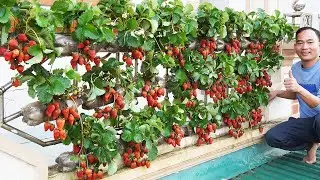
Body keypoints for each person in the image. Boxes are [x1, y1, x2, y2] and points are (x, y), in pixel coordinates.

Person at [265, 27, 320, 164]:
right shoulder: (295, 68)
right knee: (273, 137)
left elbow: (316, 103)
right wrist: (278, 92)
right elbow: (296, 95)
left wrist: (299, 89)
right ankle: (311, 143)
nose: (304, 47)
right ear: (295, 46)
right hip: (307, 123)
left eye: (310, 42)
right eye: (300, 42)